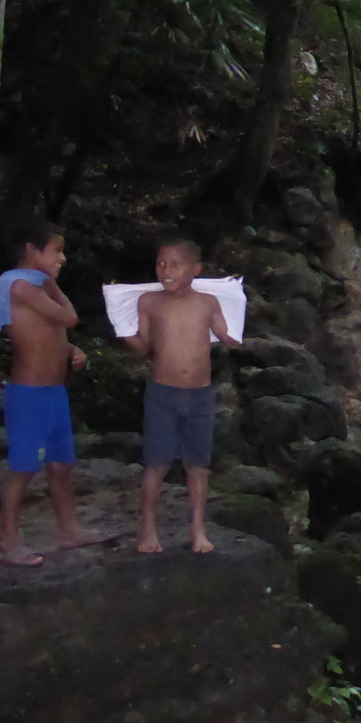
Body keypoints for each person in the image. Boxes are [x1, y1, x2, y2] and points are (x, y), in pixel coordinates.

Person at [0, 220, 112, 566]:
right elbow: (68, 317)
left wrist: (71, 351)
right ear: (32, 251)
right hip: (30, 395)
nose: (62, 258)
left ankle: (69, 529)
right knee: (23, 469)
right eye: (57, 250)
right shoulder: (22, 287)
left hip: (53, 394)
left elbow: (48, 333)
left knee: (61, 465)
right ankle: (7, 543)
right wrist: (52, 284)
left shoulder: (34, 286)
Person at [124, 237, 240, 554]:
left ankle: (198, 529)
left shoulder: (207, 303)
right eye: (161, 264)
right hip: (162, 393)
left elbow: (227, 335)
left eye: (175, 264)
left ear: (195, 269)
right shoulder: (149, 302)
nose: (166, 271)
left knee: (197, 466)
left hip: (201, 395)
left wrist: (238, 340)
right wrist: (125, 336)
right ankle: (147, 529)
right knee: (156, 465)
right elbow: (144, 348)